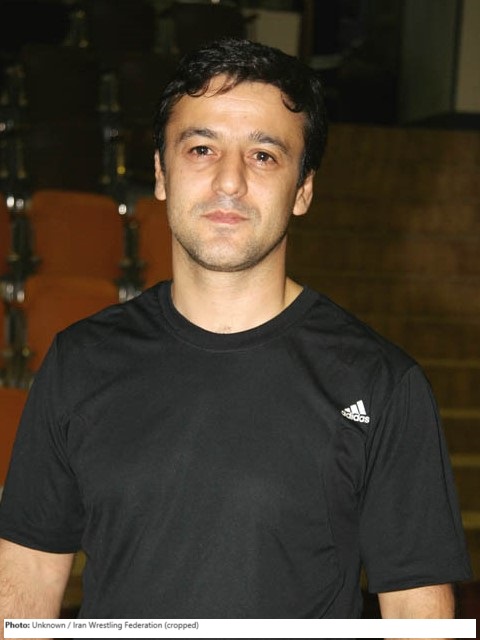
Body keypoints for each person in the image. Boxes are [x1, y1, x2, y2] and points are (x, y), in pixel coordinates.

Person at [0, 37, 472, 623]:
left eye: (264, 156)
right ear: (161, 173)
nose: (230, 181)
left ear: (303, 189)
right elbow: (25, 579)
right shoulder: (79, 360)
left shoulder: (380, 382)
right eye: (202, 149)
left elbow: (417, 613)